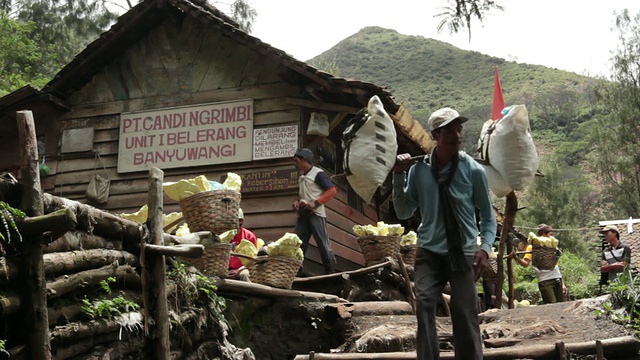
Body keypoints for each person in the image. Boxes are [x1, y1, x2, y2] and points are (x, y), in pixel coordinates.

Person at [392, 107, 496, 360]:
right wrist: (397, 175)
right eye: (450, 130)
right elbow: (404, 211)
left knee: (464, 311)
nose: (457, 135)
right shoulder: (419, 171)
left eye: (459, 129)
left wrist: (485, 248)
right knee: (425, 304)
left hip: (464, 252)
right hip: (429, 251)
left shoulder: (473, 171)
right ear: (436, 134)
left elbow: (488, 216)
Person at [292, 148, 337, 274]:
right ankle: (296, 273)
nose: (295, 164)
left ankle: (331, 273)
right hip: (303, 214)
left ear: (304, 160)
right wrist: (296, 202)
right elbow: (302, 195)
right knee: (298, 244)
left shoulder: (318, 174)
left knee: (323, 244)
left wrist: (316, 203)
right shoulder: (302, 177)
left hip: (316, 214)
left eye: (296, 161)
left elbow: (332, 190)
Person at [511, 224, 566, 304]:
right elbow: (526, 263)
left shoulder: (552, 247)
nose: (552, 237)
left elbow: (556, 265)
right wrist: (516, 258)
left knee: (562, 304)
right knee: (552, 304)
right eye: (550, 234)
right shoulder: (532, 247)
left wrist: (563, 284)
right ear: (544, 234)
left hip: (557, 278)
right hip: (545, 280)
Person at [228, 208, 258, 281]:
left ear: (241, 221)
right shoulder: (222, 235)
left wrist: (239, 271)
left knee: (245, 274)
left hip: (242, 269)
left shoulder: (249, 236)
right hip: (224, 268)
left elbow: (254, 260)